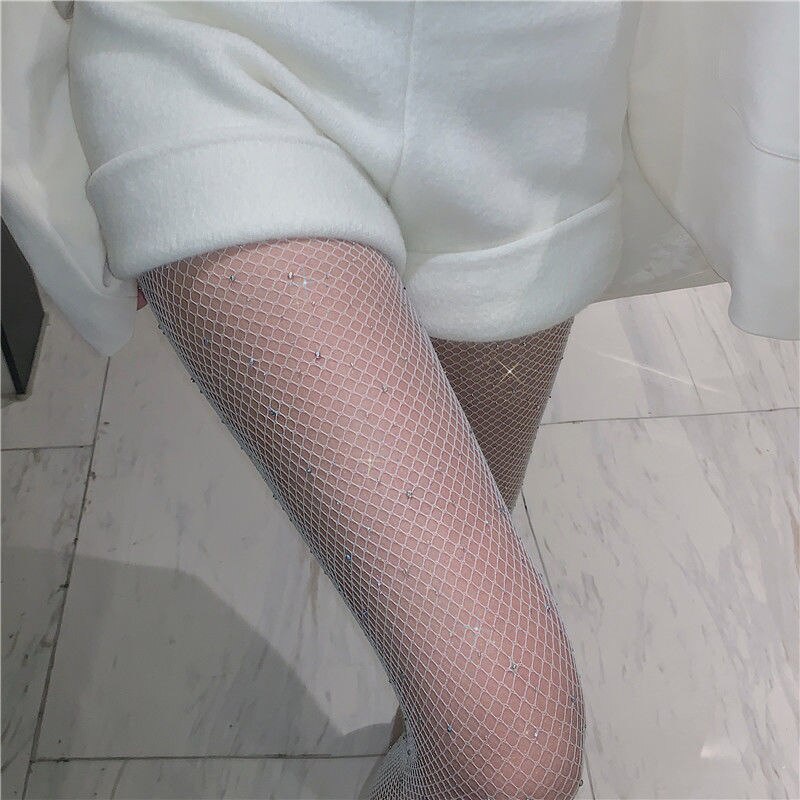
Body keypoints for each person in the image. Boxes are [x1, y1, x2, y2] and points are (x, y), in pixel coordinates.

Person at [5, 2, 797, 798]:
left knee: (457, 650)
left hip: (535, 95)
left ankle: (420, 748)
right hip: (213, 51)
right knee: (508, 747)